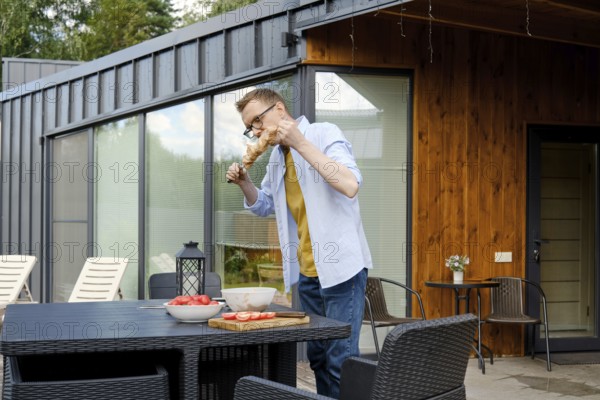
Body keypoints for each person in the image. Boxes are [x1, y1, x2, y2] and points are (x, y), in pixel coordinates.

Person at [226, 88, 372, 398]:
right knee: (318, 359)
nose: (255, 132)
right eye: (250, 127)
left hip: (341, 270)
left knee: (340, 360)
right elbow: (265, 204)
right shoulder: (278, 159)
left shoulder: (322, 133)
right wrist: (245, 183)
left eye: (257, 122)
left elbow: (349, 183)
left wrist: (301, 143)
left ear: (279, 109)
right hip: (307, 274)